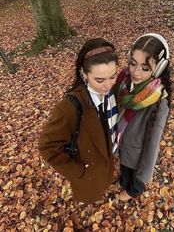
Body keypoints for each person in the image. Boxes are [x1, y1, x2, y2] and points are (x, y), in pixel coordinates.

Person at [38, 38, 119, 204]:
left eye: (112, 76)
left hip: (108, 164)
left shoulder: (113, 91)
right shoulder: (68, 108)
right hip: (89, 173)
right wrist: (79, 171)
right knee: (93, 193)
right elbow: (48, 147)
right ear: (84, 73)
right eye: (99, 80)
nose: (108, 86)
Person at [114, 33, 171, 201]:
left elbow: (152, 148)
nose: (135, 72)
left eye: (145, 68)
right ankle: (123, 181)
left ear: (159, 68)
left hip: (135, 159)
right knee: (123, 173)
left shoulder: (159, 104)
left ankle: (129, 187)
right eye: (133, 63)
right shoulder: (124, 82)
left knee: (129, 175)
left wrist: (135, 188)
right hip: (122, 149)